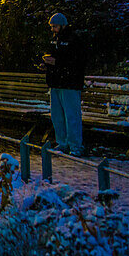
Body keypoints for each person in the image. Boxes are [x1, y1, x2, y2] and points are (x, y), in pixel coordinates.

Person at [42, 12, 86, 156]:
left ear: (62, 25)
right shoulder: (55, 39)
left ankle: (75, 146)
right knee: (57, 115)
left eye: (54, 26)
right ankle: (63, 142)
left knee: (71, 115)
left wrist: (56, 63)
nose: (53, 29)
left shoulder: (74, 39)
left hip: (70, 83)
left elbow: (76, 61)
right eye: (52, 26)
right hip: (56, 82)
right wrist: (46, 63)